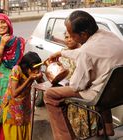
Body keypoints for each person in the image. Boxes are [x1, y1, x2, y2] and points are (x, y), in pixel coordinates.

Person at [44, 10, 123, 140]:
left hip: (100, 95)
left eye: (71, 35)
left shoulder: (87, 51)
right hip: (117, 91)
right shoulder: (109, 35)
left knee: (50, 95)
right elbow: (84, 53)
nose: (69, 37)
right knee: (102, 80)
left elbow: (77, 85)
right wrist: (61, 53)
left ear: (83, 34)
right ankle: (108, 128)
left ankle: (64, 137)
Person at [0, 51, 42, 140]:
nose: (37, 71)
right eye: (34, 68)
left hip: (24, 110)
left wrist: (40, 77)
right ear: (26, 67)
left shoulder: (32, 72)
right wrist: (30, 79)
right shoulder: (17, 69)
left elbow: (43, 84)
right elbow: (14, 93)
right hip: (12, 111)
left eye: (39, 68)